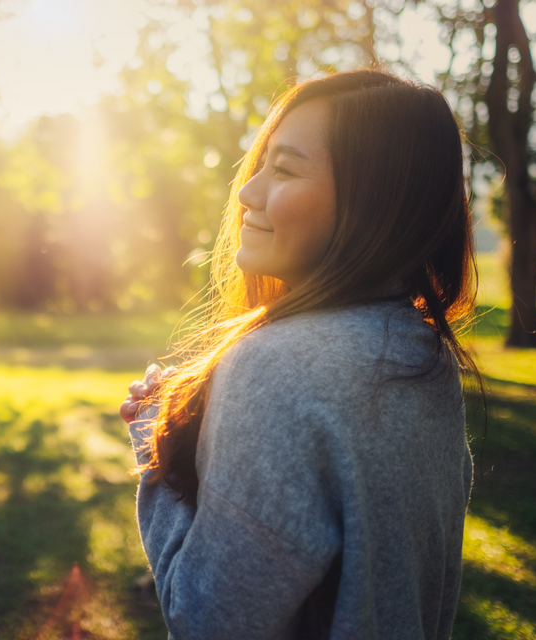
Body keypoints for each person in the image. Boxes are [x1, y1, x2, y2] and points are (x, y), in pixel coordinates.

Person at [119, 69, 479, 639]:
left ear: (373, 202)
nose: (246, 192)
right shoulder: (422, 355)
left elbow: (207, 623)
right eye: (260, 163)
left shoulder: (275, 367)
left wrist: (154, 456)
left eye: (283, 168)